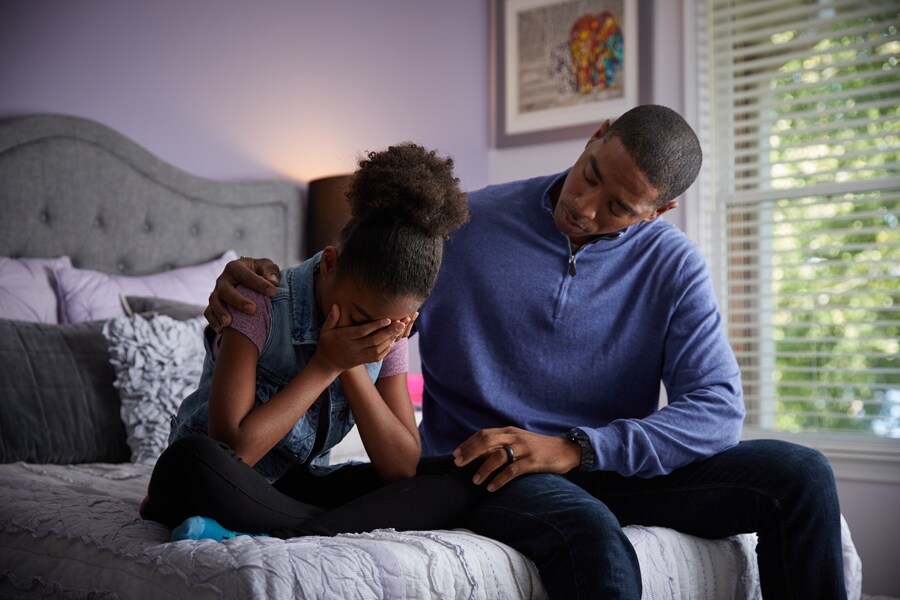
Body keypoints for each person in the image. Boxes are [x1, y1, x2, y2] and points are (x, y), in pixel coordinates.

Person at [207, 105, 847, 598]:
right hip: (489, 468)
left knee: (801, 477)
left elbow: (716, 411)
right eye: (591, 174)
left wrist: (579, 448)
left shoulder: (673, 266)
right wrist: (247, 285)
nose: (585, 206)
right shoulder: (467, 228)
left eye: (619, 207)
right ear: (595, 135)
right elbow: (353, 292)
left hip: (605, 464)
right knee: (594, 542)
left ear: (660, 211)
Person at [142, 142, 484, 541]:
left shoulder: (389, 330)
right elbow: (234, 451)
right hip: (216, 478)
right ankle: (319, 524)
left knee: (453, 483)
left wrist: (351, 365)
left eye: (390, 324)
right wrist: (325, 365)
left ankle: (289, 527)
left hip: (293, 486)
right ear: (330, 263)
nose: (370, 333)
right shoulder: (259, 299)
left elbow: (400, 468)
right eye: (359, 318)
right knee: (192, 461)